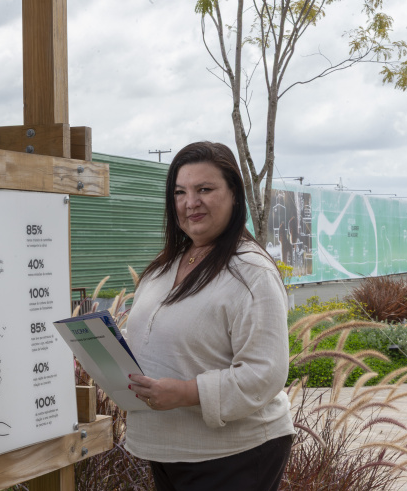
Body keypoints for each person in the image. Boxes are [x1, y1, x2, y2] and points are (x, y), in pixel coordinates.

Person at [125, 141, 295, 491]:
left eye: (205, 189)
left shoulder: (251, 272)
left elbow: (266, 373)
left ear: (234, 194)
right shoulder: (165, 267)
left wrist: (187, 392)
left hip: (234, 454)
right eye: (180, 192)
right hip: (169, 449)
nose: (191, 202)